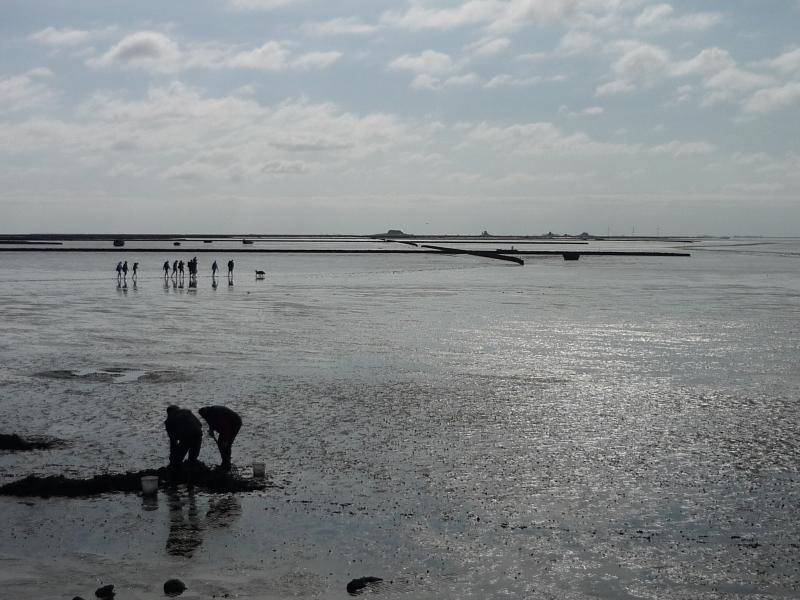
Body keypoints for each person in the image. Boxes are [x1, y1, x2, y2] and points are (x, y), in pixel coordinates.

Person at [198, 406, 241, 471]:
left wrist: (226, 440)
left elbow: (226, 427)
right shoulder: (208, 414)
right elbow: (210, 422)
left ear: (207, 412)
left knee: (225, 444)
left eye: (204, 416)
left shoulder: (216, 414)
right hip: (226, 426)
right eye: (203, 417)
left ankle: (226, 463)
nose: (204, 418)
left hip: (234, 423)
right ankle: (225, 462)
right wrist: (211, 430)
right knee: (221, 443)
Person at [164, 405, 203, 471]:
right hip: (198, 434)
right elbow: (200, 424)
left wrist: (172, 454)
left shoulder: (169, 421)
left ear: (169, 413)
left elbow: (173, 441)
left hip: (187, 437)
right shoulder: (188, 413)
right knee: (193, 458)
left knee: (177, 459)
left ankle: (176, 471)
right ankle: (193, 469)